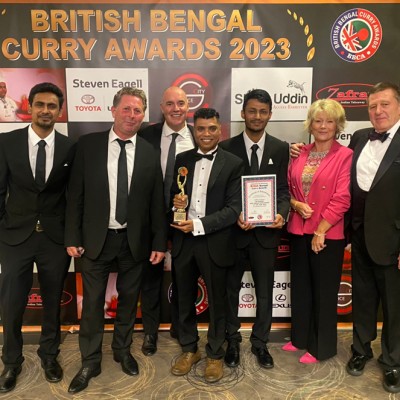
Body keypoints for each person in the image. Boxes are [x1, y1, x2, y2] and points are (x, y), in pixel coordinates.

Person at [290, 82, 400, 394]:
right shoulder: (362, 137)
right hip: (360, 234)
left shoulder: (351, 148)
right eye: (373, 106)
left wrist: (322, 229)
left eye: (385, 104)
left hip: (392, 238)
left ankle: (392, 361)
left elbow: (341, 192)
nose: (378, 111)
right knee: (363, 299)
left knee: (394, 305)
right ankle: (361, 350)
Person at [65, 87, 167, 394]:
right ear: (113, 110)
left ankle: (122, 351)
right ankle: (90, 361)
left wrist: (159, 243)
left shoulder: (149, 151)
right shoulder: (89, 145)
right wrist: (72, 236)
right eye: (126, 109)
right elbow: (75, 194)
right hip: (95, 240)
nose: (132, 116)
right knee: (92, 304)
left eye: (138, 111)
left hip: (133, 241)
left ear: (143, 115)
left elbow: (156, 202)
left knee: (128, 301)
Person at [0, 82, 75, 393]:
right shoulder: (7, 142)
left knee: (53, 301)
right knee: (11, 303)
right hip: (14, 237)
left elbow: (74, 196)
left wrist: (71, 235)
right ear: (29, 107)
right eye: (40, 105)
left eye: (52, 106)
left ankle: (49, 355)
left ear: (59, 111)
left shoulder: (71, 147)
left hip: (54, 239)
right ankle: (11, 361)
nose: (46, 110)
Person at [170, 108, 244, 383]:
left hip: (215, 241)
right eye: (200, 128)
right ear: (194, 130)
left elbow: (233, 209)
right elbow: (174, 195)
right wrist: (176, 205)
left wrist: (198, 225)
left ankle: (214, 353)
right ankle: (190, 349)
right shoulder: (182, 160)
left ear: (220, 130)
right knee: (184, 299)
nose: (206, 134)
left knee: (218, 301)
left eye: (212, 128)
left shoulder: (233, 163)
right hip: (183, 241)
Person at [219, 89, 290, 369]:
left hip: (266, 235)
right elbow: (222, 193)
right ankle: (232, 340)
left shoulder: (280, 148)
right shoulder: (226, 147)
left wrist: (282, 213)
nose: (257, 116)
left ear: (270, 114)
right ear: (243, 113)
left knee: (264, 293)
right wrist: (235, 214)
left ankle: (260, 343)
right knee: (230, 292)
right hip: (234, 234)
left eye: (263, 111)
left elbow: (283, 190)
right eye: (252, 111)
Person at [283, 99, 352, 363]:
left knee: (323, 293)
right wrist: (295, 204)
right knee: (301, 288)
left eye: (329, 121)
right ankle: (300, 338)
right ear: (310, 124)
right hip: (298, 230)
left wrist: (321, 230)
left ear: (338, 125)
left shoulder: (345, 156)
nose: (323, 126)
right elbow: (287, 189)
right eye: (318, 120)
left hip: (326, 234)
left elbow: (342, 198)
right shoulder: (299, 152)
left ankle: (321, 347)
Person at [138, 86, 195, 356]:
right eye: (170, 103)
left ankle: (181, 329)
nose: (176, 109)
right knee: (150, 277)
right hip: (150, 219)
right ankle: (150, 332)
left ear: (188, 107)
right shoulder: (145, 136)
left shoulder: (199, 136)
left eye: (181, 103)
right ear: (161, 108)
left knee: (184, 276)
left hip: (187, 220)